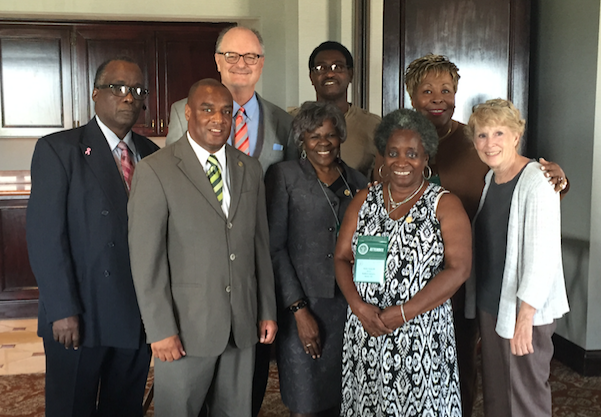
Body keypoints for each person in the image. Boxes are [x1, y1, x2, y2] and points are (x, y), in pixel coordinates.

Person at [382, 53, 571, 417]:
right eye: (427, 90)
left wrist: (559, 179)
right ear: (411, 96)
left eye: (446, 90)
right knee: (477, 379)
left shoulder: (485, 153)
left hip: (470, 281)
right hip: (436, 282)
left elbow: (536, 209)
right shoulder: (400, 143)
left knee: (469, 367)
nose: (438, 97)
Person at [128, 78, 277, 417]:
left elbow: (259, 247)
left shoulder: (248, 169)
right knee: (179, 410)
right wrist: (160, 329)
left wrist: (266, 309)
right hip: (185, 329)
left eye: (226, 111)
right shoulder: (156, 170)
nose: (218, 119)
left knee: (234, 411)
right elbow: (145, 259)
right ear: (189, 113)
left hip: (241, 323)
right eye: (208, 109)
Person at [26, 57, 159, 417]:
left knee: (124, 407)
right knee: (71, 408)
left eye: (137, 90)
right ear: (96, 93)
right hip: (81, 314)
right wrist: (62, 309)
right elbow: (45, 239)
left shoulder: (153, 156)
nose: (128, 97)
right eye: (118, 88)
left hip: (137, 315)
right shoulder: (60, 150)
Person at [334, 109, 472, 416]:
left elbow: (459, 269)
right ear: (382, 156)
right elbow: (342, 257)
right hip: (366, 328)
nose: (401, 161)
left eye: (412, 153)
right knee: (368, 404)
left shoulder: (444, 204)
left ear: (426, 159)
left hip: (422, 333)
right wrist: (358, 307)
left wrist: (403, 313)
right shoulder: (363, 200)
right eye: (393, 152)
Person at [465, 99, 569, 417]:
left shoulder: (537, 180)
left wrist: (525, 316)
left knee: (525, 396)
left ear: (516, 134)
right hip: (493, 305)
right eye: (482, 135)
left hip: (524, 311)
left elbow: (543, 255)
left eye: (499, 132)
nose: (489, 142)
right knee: (498, 393)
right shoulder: (490, 180)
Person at [265, 101, 368, 417]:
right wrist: (298, 310)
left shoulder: (358, 182)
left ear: (341, 137)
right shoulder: (284, 176)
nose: (323, 142)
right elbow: (275, 247)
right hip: (303, 306)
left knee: (345, 399)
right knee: (305, 401)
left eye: (331, 134)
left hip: (350, 306)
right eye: (313, 135)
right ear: (301, 140)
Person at [165, 26, 296, 173]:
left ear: (261, 63)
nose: (241, 64)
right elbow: (172, 173)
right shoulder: (183, 113)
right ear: (218, 61)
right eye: (231, 56)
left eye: (251, 57)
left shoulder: (284, 122)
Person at [291, 41, 381, 178]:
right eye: (321, 68)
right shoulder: (291, 121)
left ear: (350, 74)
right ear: (311, 77)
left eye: (337, 67)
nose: (330, 74)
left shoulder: (373, 126)